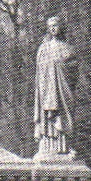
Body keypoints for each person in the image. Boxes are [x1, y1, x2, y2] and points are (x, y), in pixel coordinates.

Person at [33, 16, 77, 159]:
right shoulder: (43, 48)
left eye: (56, 25)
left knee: (64, 116)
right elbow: (39, 71)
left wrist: (59, 66)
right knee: (48, 117)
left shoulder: (68, 48)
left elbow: (74, 71)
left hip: (63, 90)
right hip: (47, 90)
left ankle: (64, 147)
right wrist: (51, 67)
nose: (53, 28)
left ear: (61, 27)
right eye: (50, 26)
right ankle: (47, 146)